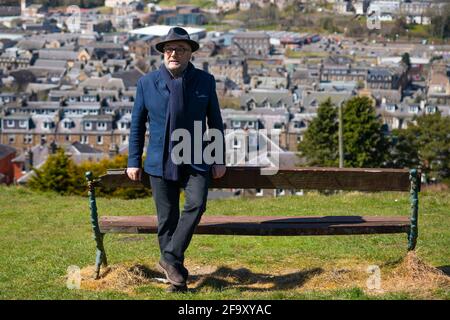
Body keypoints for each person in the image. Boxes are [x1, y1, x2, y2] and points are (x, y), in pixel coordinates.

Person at [126, 27, 226, 292]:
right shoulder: (146, 83)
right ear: (163, 53)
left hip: (196, 156)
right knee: (167, 218)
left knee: (196, 204)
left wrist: (218, 157)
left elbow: (214, 122)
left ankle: (168, 259)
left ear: (190, 53)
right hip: (160, 160)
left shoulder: (205, 81)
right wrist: (133, 160)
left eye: (181, 49)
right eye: (169, 49)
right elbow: (137, 125)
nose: (174, 53)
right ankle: (177, 279)